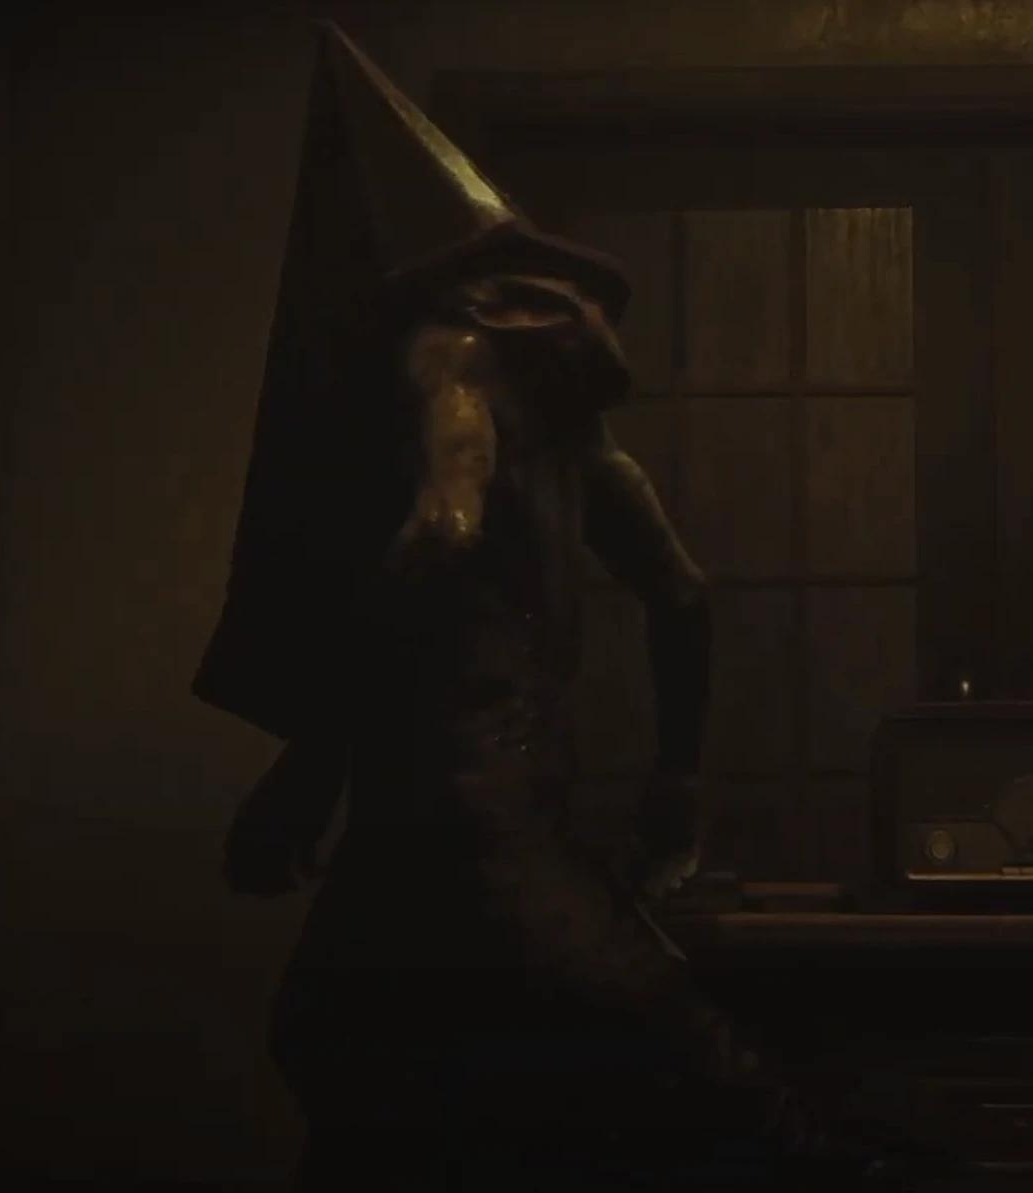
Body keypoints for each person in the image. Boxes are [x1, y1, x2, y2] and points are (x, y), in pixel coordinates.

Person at [197, 22, 921, 1192]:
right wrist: (674, 781)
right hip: (493, 825)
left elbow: (449, 524)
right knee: (411, 1080)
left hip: (455, 835)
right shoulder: (573, 432)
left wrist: (313, 752)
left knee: (430, 1072)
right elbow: (682, 592)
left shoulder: (454, 359)